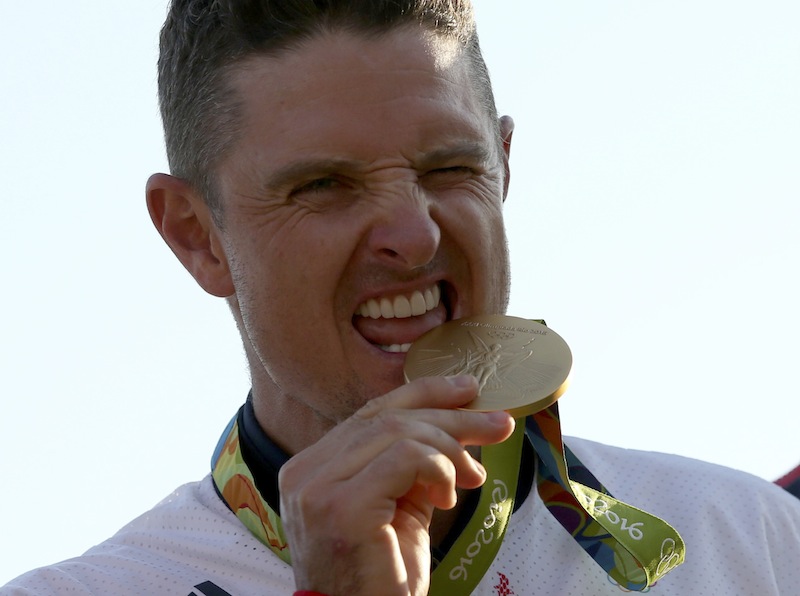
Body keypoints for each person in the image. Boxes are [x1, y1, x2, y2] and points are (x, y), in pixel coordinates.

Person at [4, 1, 800, 594]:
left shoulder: (748, 542)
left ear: (505, 165)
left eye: (451, 169)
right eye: (323, 185)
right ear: (196, 236)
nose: (413, 236)